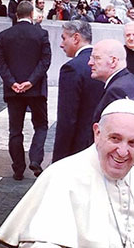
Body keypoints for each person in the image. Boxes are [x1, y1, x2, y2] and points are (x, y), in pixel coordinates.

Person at [0, 99, 134, 248]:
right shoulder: (61, 176)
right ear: (97, 133)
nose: (122, 151)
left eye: (133, 143)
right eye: (115, 138)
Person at [0, 0, 51, 180]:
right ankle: (35, 158)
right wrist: (31, 81)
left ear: (16, 15)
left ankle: (18, 169)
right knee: (41, 125)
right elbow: (45, 61)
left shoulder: (5, 35)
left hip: (13, 91)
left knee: (15, 130)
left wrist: (12, 83)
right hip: (36, 90)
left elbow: (0, 63)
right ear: (32, 14)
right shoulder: (41, 34)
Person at [52, 21, 104, 163]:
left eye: (64, 38)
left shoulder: (71, 68)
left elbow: (67, 119)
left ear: (76, 38)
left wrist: (58, 160)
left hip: (78, 149)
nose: (61, 44)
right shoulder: (104, 64)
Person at [88, 39, 134, 123]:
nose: (90, 63)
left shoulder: (117, 91)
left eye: (97, 58)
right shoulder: (129, 81)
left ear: (113, 61)